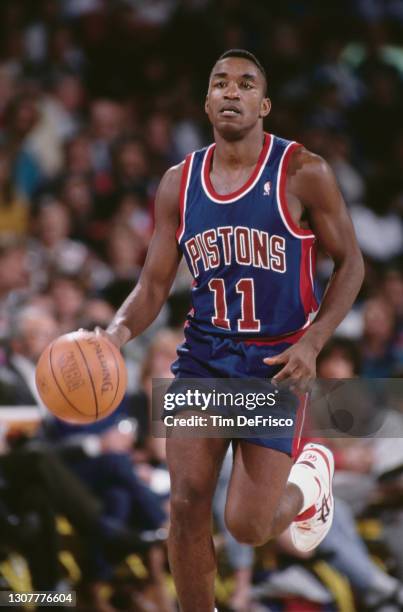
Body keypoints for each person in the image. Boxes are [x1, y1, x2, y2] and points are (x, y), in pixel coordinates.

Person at [93, 49, 364, 611]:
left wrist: (313, 341)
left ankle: (311, 482)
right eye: (220, 83)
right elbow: (151, 287)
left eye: (245, 84)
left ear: (263, 104)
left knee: (247, 525)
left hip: (272, 367)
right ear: (207, 101)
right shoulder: (178, 183)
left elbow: (353, 263)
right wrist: (115, 335)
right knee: (187, 507)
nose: (231, 91)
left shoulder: (302, 172)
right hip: (202, 360)